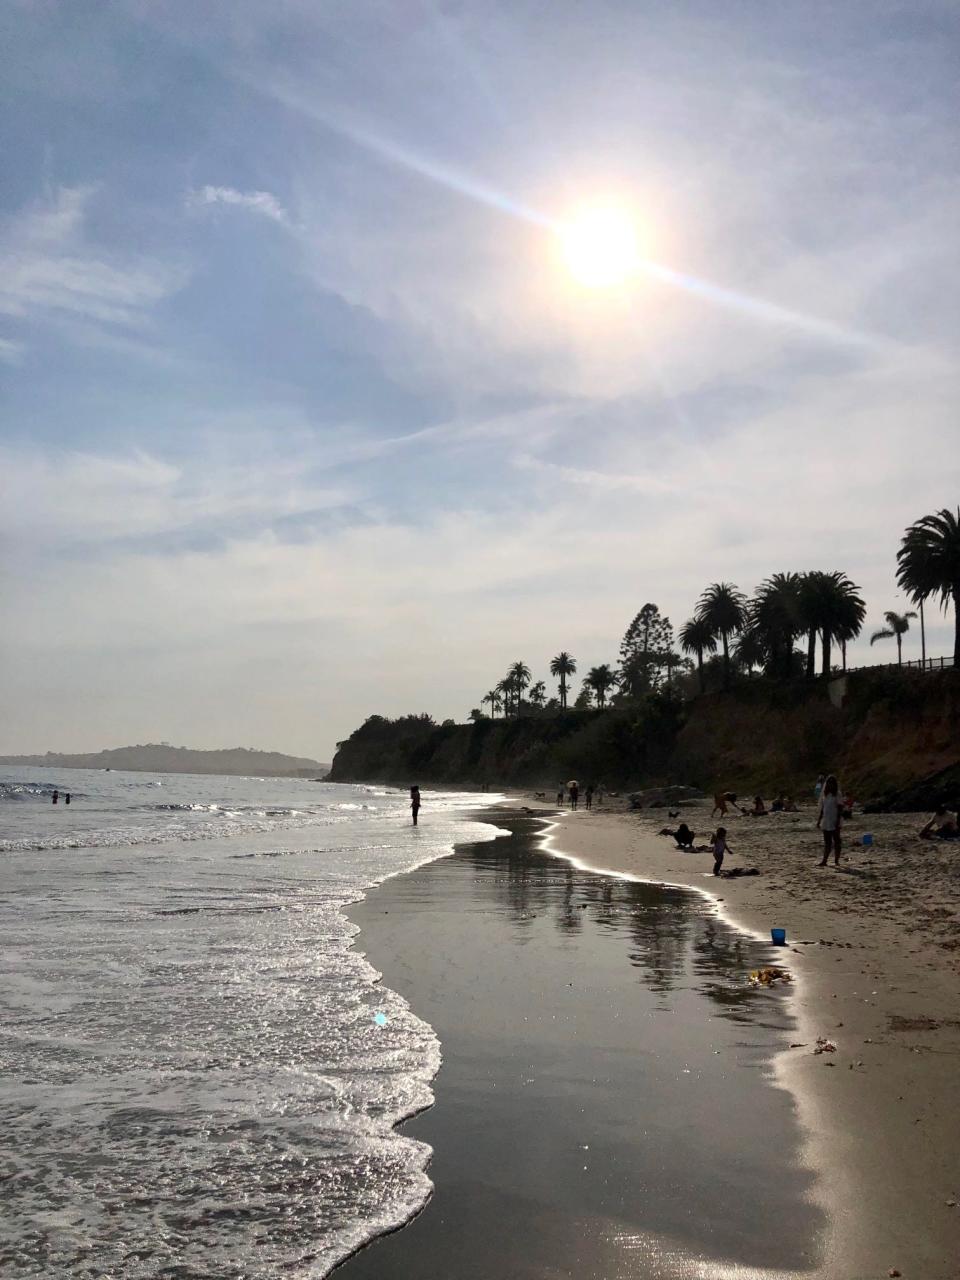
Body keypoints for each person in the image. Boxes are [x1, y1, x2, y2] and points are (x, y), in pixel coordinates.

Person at [817, 774, 843, 866]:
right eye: (829, 783)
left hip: (834, 819)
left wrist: (837, 821)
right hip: (826, 820)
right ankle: (824, 860)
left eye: (832, 783)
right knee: (827, 841)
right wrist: (819, 820)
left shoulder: (837, 794)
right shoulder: (825, 794)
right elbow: (823, 808)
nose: (830, 785)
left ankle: (836, 860)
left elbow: (840, 808)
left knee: (837, 841)